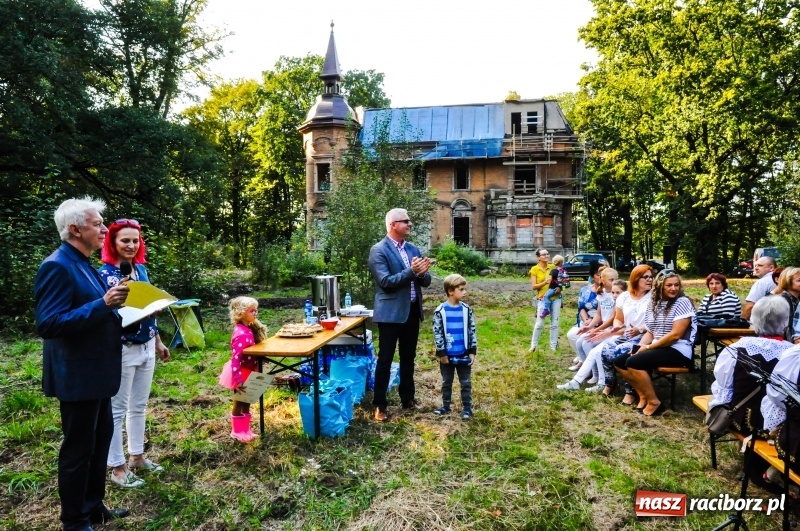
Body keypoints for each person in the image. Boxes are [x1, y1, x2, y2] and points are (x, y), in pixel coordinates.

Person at [34, 197, 131, 531]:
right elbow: (49, 323)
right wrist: (103, 304)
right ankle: (74, 521)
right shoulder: (57, 265)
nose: (104, 228)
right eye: (97, 223)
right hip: (77, 376)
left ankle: (93, 507)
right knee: (78, 451)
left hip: (98, 374)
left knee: (99, 441)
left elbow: (94, 311)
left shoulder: (83, 263)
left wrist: (121, 307)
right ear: (74, 229)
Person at [98, 219, 170, 488]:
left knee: (138, 406)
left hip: (146, 345)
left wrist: (158, 341)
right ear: (112, 243)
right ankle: (117, 467)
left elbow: (148, 307)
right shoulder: (104, 275)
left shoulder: (140, 270)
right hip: (122, 349)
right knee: (117, 409)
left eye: (135, 240)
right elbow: (108, 314)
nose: (130, 245)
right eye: (124, 240)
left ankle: (137, 456)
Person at [368, 208, 432, 422]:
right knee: (385, 360)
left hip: (412, 311)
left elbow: (426, 280)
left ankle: (408, 399)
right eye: (406, 221)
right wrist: (413, 271)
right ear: (393, 225)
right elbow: (385, 283)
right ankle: (380, 405)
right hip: (390, 313)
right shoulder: (379, 250)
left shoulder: (413, 248)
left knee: (408, 358)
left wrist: (423, 273)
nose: (410, 224)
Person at [614, 270, 697, 416]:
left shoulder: (682, 302)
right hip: (658, 346)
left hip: (678, 350)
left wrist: (648, 347)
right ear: (659, 286)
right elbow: (651, 332)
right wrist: (640, 347)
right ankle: (643, 395)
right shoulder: (654, 303)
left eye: (676, 285)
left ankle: (654, 402)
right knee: (619, 361)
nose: (673, 288)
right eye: (669, 285)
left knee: (634, 362)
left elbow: (675, 335)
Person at [709, 296, 792, 435]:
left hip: (742, 421)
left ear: (754, 321)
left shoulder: (736, 349)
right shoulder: (793, 354)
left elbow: (723, 390)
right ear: (785, 323)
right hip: (782, 430)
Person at [557, 275, 626, 392]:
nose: (614, 296)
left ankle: (601, 382)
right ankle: (583, 379)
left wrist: (602, 331)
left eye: (617, 293)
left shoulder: (624, 304)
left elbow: (622, 327)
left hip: (621, 336)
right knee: (586, 343)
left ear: (625, 292)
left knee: (597, 350)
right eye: (613, 293)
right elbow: (608, 321)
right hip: (613, 332)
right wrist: (593, 328)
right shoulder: (614, 301)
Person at [599, 265, 654, 402]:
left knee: (622, 351)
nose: (649, 280)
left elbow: (656, 324)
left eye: (651, 277)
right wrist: (618, 328)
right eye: (645, 277)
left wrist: (639, 330)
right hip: (627, 334)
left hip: (646, 335)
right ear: (636, 278)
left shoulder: (654, 297)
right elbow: (618, 318)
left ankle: (631, 391)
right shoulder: (624, 296)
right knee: (606, 349)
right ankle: (610, 384)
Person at [219, 296, 268, 442]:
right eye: (252, 310)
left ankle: (246, 430)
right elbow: (236, 359)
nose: (255, 313)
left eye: (256, 310)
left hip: (250, 369)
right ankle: (237, 431)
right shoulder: (241, 333)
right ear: (241, 313)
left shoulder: (247, 328)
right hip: (242, 371)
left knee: (247, 401)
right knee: (239, 402)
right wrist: (238, 379)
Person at [431, 274, 478, 419]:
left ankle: (467, 408)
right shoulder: (440, 311)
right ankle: (445, 406)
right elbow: (437, 333)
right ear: (451, 291)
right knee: (446, 382)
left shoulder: (466, 309)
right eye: (462, 289)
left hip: (463, 354)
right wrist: (442, 353)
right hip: (447, 356)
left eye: (465, 289)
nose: (465, 292)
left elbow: (472, 330)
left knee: (465, 382)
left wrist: (472, 351)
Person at [565, 261, 605, 367]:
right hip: (587, 321)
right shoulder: (585, 289)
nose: (601, 277)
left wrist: (594, 323)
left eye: (603, 274)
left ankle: (587, 364)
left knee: (585, 338)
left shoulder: (609, 292)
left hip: (603, 323)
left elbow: (608, 313)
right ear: (592, 276)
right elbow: (581, 307)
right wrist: (586, 320)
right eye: (598, 275)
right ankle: (582, 359)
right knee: (572, 334)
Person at [529, 248, 561, 353]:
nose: (547, 256)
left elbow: (563, 280)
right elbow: (534, 286)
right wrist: (545, 282)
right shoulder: (534, 269)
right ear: (538, 257)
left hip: (556, 298)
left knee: (554, 323)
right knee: (539, 323)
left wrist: (560, 288)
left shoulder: (554, 267)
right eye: (544, 254)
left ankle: (553, 347)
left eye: (547, 254)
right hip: (543, 299)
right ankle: (533, 346)